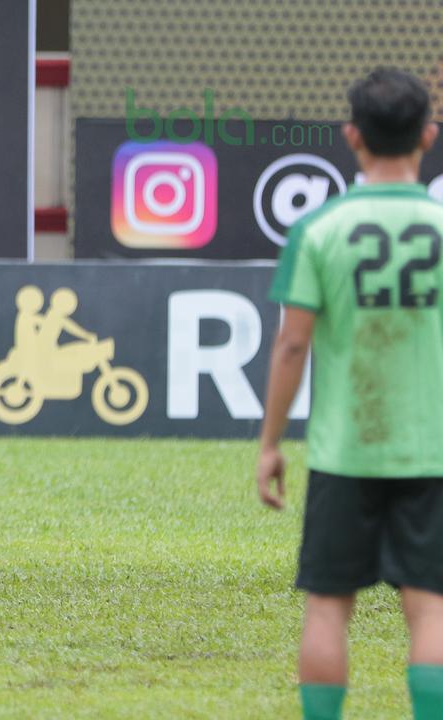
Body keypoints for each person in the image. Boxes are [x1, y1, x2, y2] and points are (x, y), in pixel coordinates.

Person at [258, 68, 443, 720]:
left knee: (329, 608)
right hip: (432, 452)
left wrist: (270, 444)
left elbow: (291, 346)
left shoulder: (318, 230)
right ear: (428, 134)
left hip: (345, 451)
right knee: (430, 608)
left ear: (351, 136)